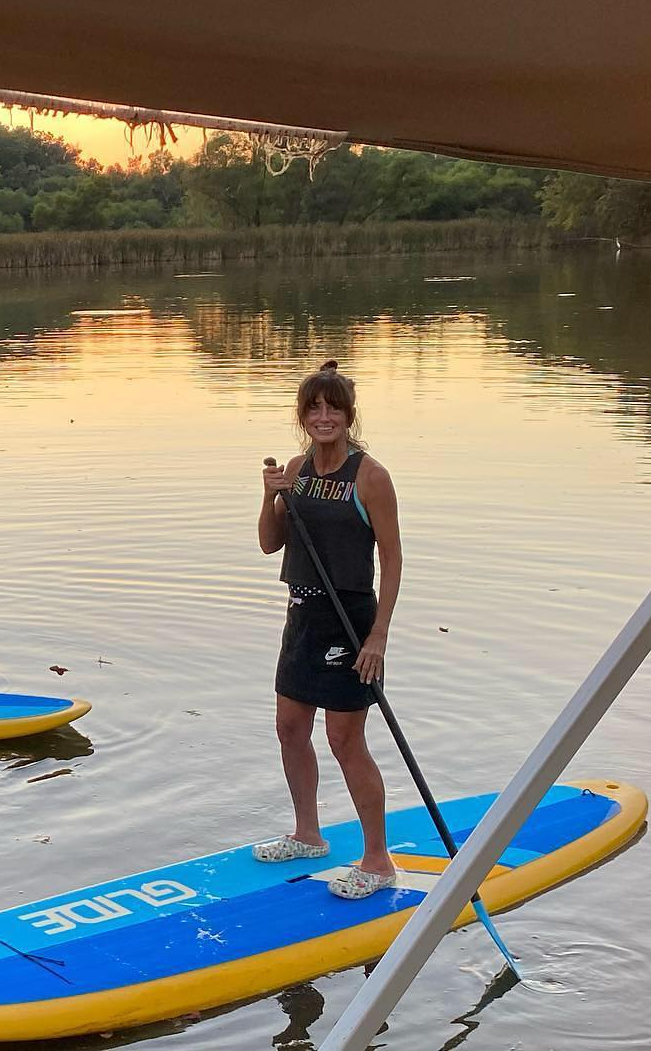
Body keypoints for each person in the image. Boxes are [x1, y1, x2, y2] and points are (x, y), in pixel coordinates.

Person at [254, 360, 401, 900]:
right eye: (313, 408)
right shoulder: (298, 468)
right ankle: (308, 835)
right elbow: (271, 542)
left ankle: (378, 861)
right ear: (303, 417)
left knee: (345, 738)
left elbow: (393, 560)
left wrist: (378, 637)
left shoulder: (370, 477)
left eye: (332, 407)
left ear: (347, 414)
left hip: (350, 617)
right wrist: (271, 493)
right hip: (303, 614)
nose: (323, 417)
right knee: (289, 726)